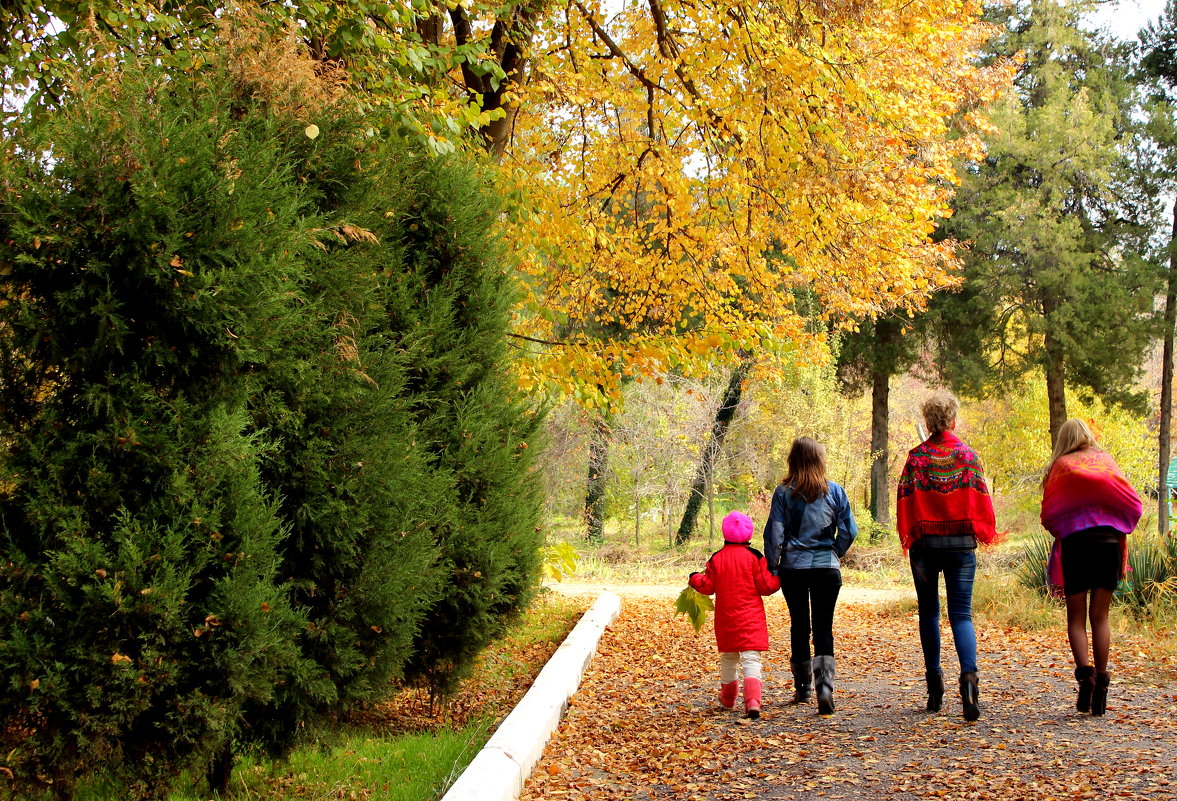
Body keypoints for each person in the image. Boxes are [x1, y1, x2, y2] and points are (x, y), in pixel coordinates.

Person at [896, 390, 998, 721]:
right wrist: (982, 531)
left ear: (928, 421)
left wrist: (911, 534)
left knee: (929, 613)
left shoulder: (917, 458)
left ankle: (934, 685)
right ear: (953, 420)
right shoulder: (968, 457)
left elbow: (905, 500)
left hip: (925, 548)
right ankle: (969, 681)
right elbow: (982, 498)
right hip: (961, 547)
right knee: (961, 615)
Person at [1040, 418, 1141, 716]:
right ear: (1086, 436)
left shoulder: (1061, 466)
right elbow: (1134, 504)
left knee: (1076, 618)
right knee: (1100, 617)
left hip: (1075, 547)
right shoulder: (1106, 462)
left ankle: (1086, 676)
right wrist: (1115, 522)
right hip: (1109, 546)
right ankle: (1102, 689)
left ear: (1064, 439)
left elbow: (1049, 513)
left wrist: (1065, 526)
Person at [762, 436, 857, 715]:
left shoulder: (783, 493)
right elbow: (850, 530)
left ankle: (802, 688)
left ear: (793, 460)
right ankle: (824, 687)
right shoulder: (836, 491)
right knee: (824, 628)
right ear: (819, 460)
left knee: (800, 627)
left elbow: (775, 533)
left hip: (793, 568)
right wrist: (834, 554)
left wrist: (773, 564)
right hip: (826, 568)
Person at [689, 510, 781, 719]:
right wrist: (779, 576)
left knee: (729, 658)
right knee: (751, 659)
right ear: (749, 534)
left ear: (725, 532)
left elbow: (708, 587)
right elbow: (766, 587)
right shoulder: (756, 558)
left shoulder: (717, 559)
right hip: (752, 618)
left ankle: (728, 698)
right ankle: (753, 702)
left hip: (726, 618)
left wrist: (694, 578)